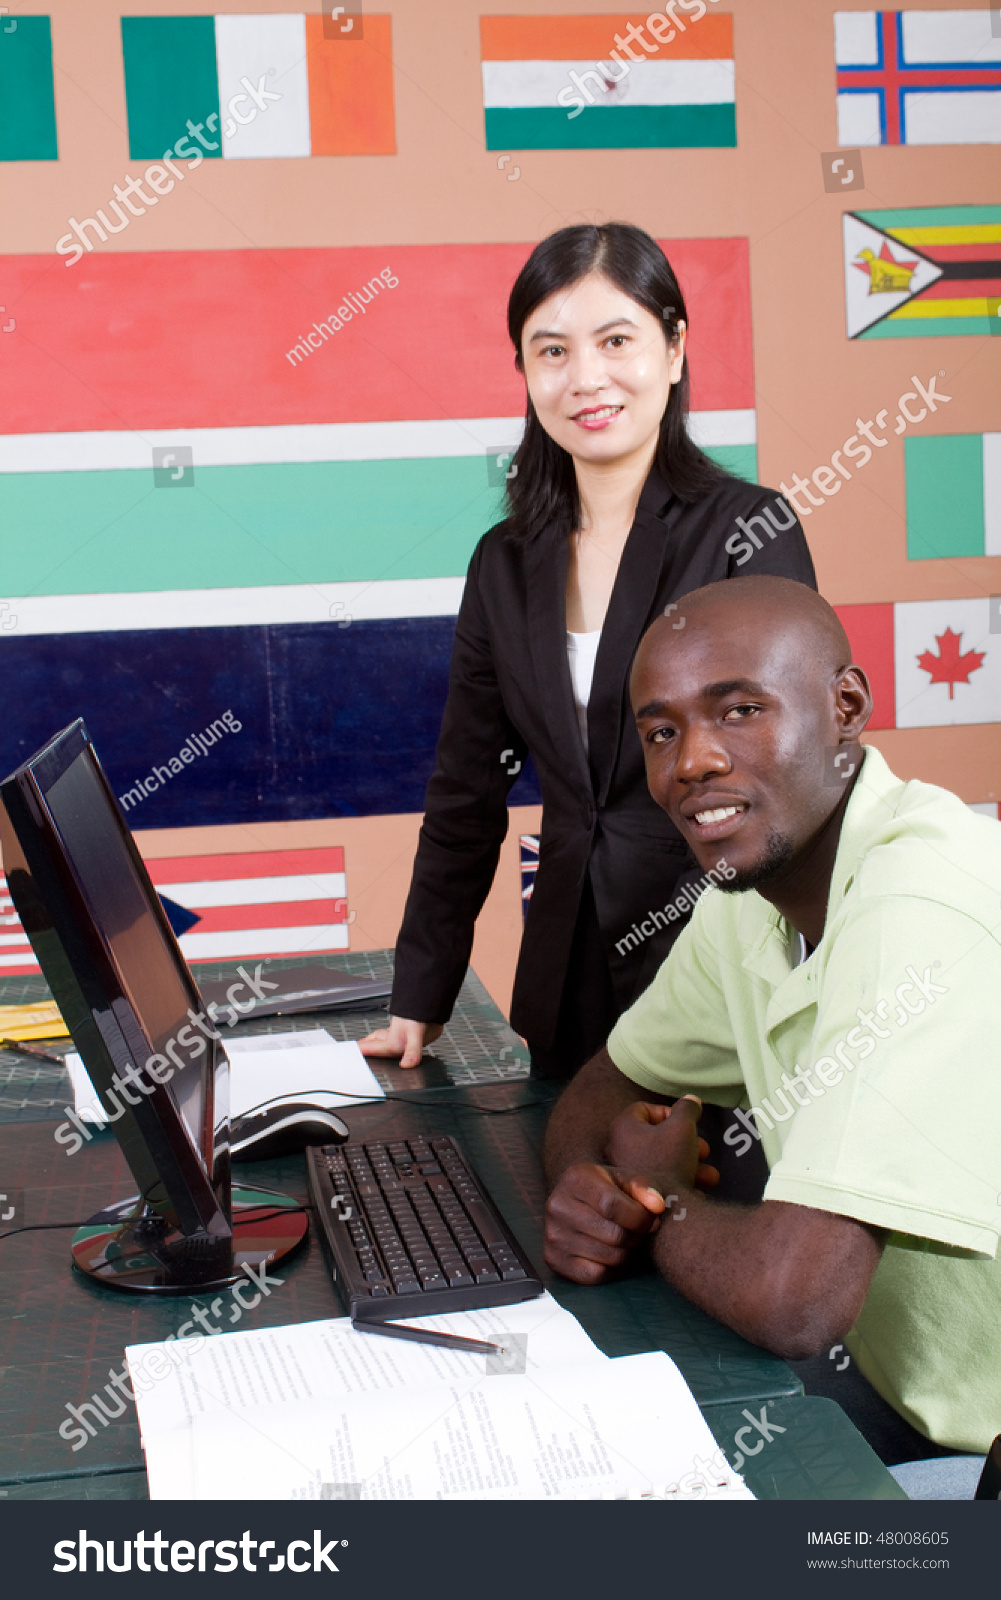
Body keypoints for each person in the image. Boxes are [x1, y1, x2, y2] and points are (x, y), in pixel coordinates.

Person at [543, 574, 1001, 1459]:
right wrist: (589, 1194)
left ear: (845, 707)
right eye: (661, 732)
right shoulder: (748, 891)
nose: (692, 763)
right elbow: (609, 1084)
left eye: (740, 710)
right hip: (896, 1395)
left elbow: (794, 1299)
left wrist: (658, 1199)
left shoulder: (927, 901)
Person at [361, 223, 815, 1079]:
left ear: (674, 349)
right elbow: (465, 790)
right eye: (552, 351)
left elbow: (788, 778)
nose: (586, 378)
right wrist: (418, 994)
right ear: (525, 373)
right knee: (557, 1206)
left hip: (724, 982)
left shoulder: (747, 530)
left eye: (616, 341)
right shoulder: (502, 562)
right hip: (566, 984)